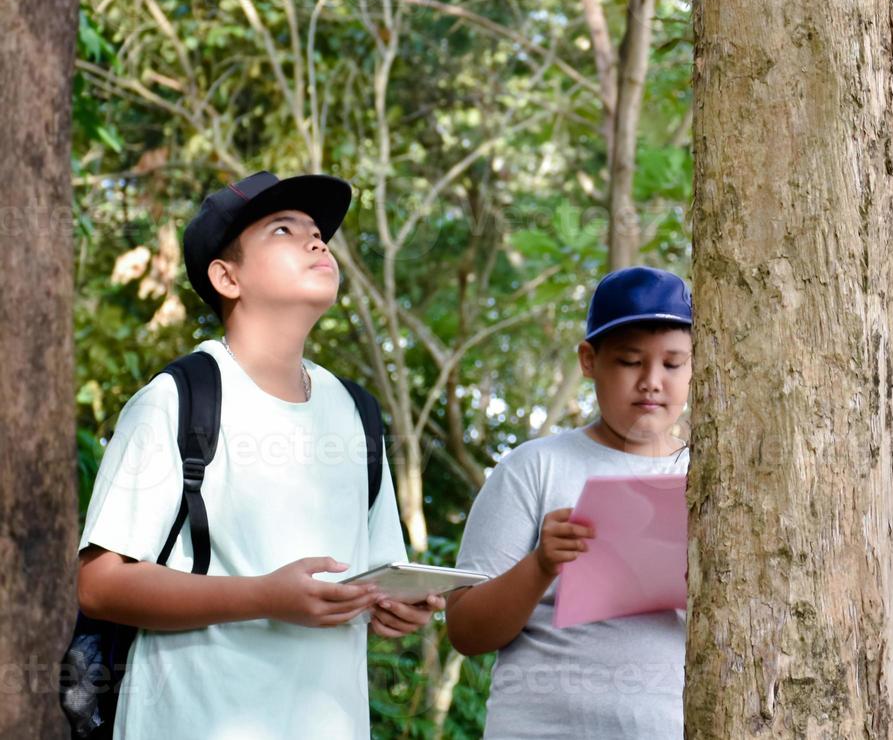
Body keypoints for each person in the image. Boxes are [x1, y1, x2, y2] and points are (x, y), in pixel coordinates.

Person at [76, 171, 440, 740]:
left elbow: (368, 581)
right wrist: (264, 597)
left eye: (318, 232)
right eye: (283, 230)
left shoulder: (359, 413)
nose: (317, 242)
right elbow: (100, 584)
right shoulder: (179, 398)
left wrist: (391, 607)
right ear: (227, 276)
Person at [447, 265, 693, 739]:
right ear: (588, 360)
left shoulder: (711, 483)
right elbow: (465, 631)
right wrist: (541, 564)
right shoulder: (535, 467)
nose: (651, 381)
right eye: (628, 361)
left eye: (672, 363)